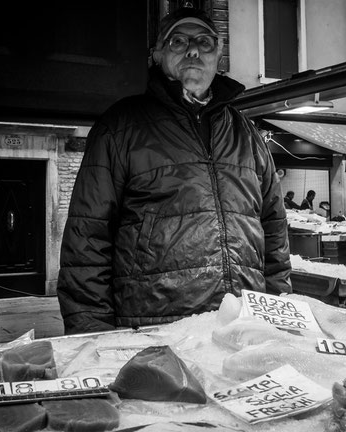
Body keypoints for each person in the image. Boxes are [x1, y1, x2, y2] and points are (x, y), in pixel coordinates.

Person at [56, 6, 292, 335]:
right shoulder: (120, 128)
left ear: (219, 53)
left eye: (204, 42)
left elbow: (275, 240)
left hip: (243, 334)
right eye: (178, 41)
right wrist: (94, 338)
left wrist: (280, 320)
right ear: (157, 54)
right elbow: (87, 245)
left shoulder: (247, 134)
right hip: (154, 336)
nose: (193, 50)